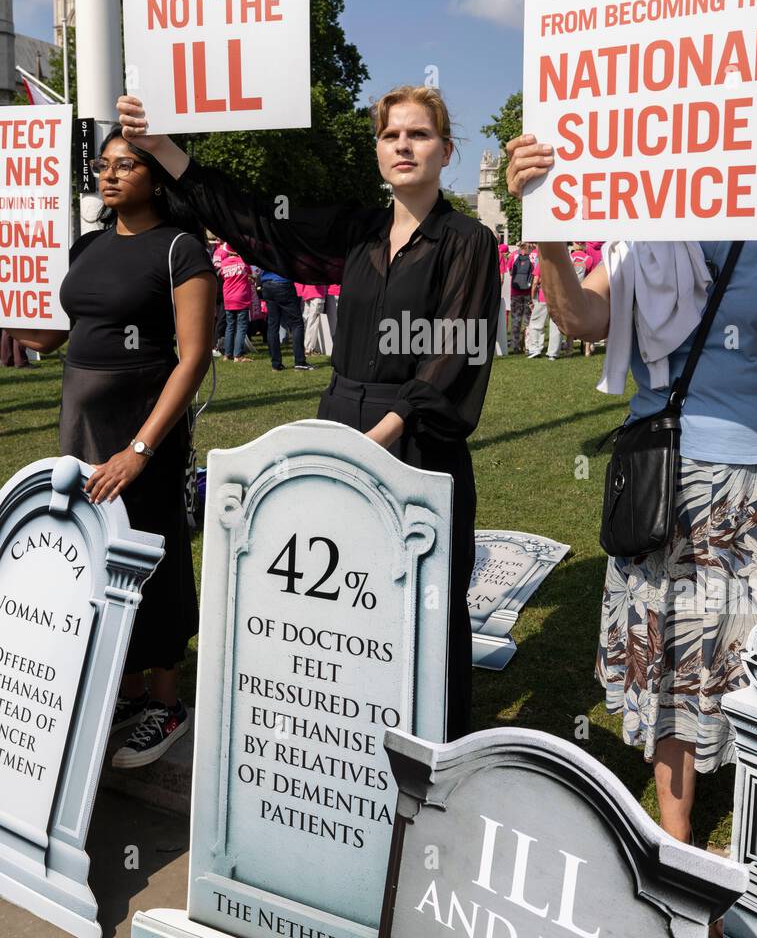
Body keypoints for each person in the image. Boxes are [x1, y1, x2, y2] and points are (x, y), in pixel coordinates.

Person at [507, 133, 757, 842]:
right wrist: (545, 239)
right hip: (675, 479)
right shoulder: (642, 219)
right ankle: (676, 836)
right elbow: (582, 319)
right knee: (679, 658)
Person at [116, 85, 501, 738]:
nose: (402, 145)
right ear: (377, 150)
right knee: (346, 603)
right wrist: (164, 152)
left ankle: (431, 761)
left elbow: (453, 350)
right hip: (341, 426)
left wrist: (386, 430)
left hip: (414, 444)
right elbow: (256, 224)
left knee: (425, 613)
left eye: (418, 134)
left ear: (446, 150)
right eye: (390, 135)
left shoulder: (467, 240)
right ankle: (349, 742)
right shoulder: (356, 230)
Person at [9, 126, 216, 767]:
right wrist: (13, 318)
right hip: (81, 427)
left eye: (127, 164)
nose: (111, 173)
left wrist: (141, 450)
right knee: (95, 555)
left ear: (157, 176)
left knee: (150, 553)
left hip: (142, 431)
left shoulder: (181, 248)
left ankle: (166, 700)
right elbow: (60, 337)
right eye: (104, 164)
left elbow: (194, 356)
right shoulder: (88, 246)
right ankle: (125, 690)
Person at [260, 270, 310, 372]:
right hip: (282, 283)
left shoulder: (266, 253)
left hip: (266, 284)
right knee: (297, 323)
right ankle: (300, 362)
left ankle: (276, 364)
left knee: (273, 325)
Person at [213, 241, 254, 361]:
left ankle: (227, 354)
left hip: (228, 298)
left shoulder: (224, 263)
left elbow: (223, 277)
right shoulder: (244, 262)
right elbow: (251, 275)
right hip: (241, 297)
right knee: (241, 326)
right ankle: (238, 355)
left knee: (230, 326)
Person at [507, 242, 534, 353]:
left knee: (516, 320)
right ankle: (528, 346)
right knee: (528, 321)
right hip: (528, 293)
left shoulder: (513, 256)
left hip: (515, 293)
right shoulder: (532, 258)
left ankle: (516, 346)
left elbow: (510, 271)